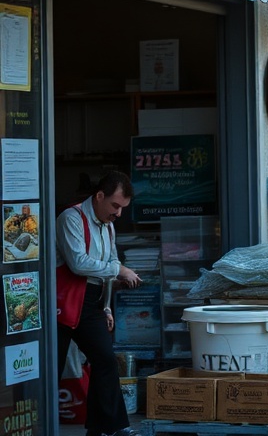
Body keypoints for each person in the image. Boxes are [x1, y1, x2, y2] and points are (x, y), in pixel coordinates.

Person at [56, 171, 143, 436]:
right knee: (53, 367)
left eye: (123, 208)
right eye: (115, 206)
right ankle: (39, 425)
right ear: (99, 196)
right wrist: (120, 272)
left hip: (92, 302)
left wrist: (106, 305)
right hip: (65, 301)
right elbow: (78, 262)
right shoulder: (71, 218)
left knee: (105, 361)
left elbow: (111, 262)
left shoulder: (108, 225)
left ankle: (106, 429)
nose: (118, 214)